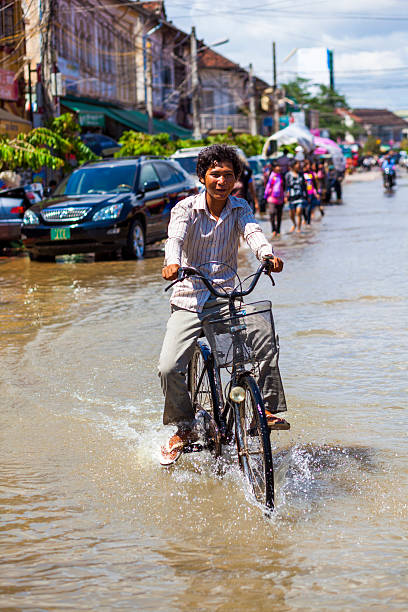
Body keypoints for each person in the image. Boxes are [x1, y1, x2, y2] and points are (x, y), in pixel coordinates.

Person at [159, 144, 288, 465]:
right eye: (215, 174)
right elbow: (174, 238)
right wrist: (171, 263)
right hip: (188, 300)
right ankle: (185, 426)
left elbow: (253, 231)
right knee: (169, 368)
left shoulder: (239, 206)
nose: (221, 180)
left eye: (228, 175)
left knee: (261, 346)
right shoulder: (185, 209)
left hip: (225, 301)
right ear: (202, 177)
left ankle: (264, 411)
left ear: (235, 179)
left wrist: (266, 255)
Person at [285, 159, 307, 233]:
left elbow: (304, 185)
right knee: (291, 214)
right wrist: (285, 195)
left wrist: (306, 195)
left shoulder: (301, 174)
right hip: (291, 197)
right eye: (297, 164)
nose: (299, 165)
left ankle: (299, 228)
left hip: (300, 196)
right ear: (293, 165)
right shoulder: (288, 175)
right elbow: (286, 186)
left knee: (299, 211)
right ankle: (294, 224)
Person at [264, 161, 284, 237]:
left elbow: (284, 186)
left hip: (280, 198)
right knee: (272, 213)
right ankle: (273, 229)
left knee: (279, 214)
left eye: (279, 166)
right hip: (271, 197)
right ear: (273, 168)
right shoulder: (270, 176)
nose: (279, 168)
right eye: (277, 166)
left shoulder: (281, 176)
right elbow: (267, 185)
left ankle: (278, 230)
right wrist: (265, 196)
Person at [302, 158, 320, 224]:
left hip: (310, 192)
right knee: (303, 208)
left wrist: (317, 192)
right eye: (307, 165)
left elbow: (314, 184)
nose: (309, 166)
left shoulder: (311, 173)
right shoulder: (301, 174)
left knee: (309, 208)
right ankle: (305, 218)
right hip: (303, 193)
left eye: (309, 165)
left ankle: (308, 222)